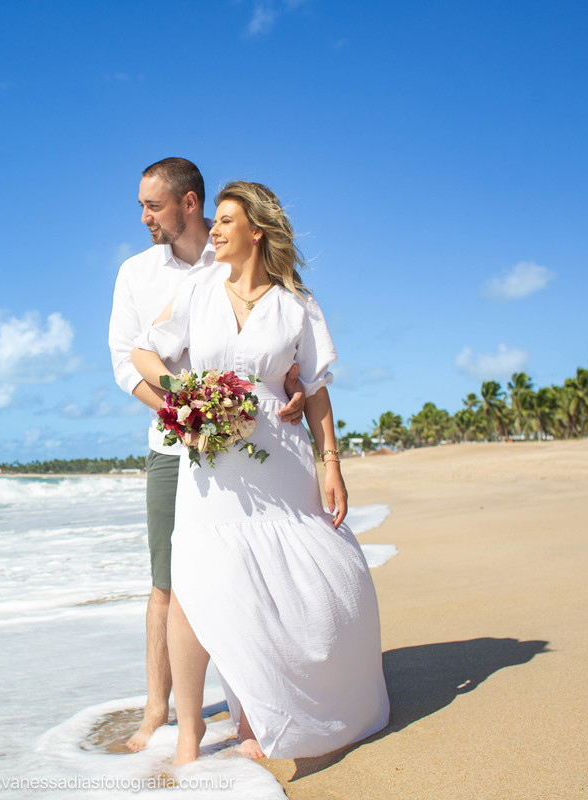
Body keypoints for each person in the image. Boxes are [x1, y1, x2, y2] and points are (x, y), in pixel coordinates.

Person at [130, 180, 388, 764]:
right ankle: (190, 737)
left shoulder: (297, 305)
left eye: (226, 221)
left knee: (301, 577)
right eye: (214, 220)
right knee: (196, 584)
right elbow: (143, 354)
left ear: (257, 231)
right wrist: (184, 392)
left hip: (282, 457)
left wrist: (332, 465)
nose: (215, 231)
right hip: (212, 464)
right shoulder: (198, 290)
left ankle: (271, 712)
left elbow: (316, 391)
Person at [108, 158, 309, 752]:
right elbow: (128, 362)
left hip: (252, 450)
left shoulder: (235, 258)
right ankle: (159, 713)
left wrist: (291, 386)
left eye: (152, 206)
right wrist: (182, 410)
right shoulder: (136, 273)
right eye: (141, 206)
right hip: (172, 446)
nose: (143, 217)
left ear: (188, 203)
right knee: (168, 583)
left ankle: (250, 709)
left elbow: (281, 350)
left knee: (245, 573)